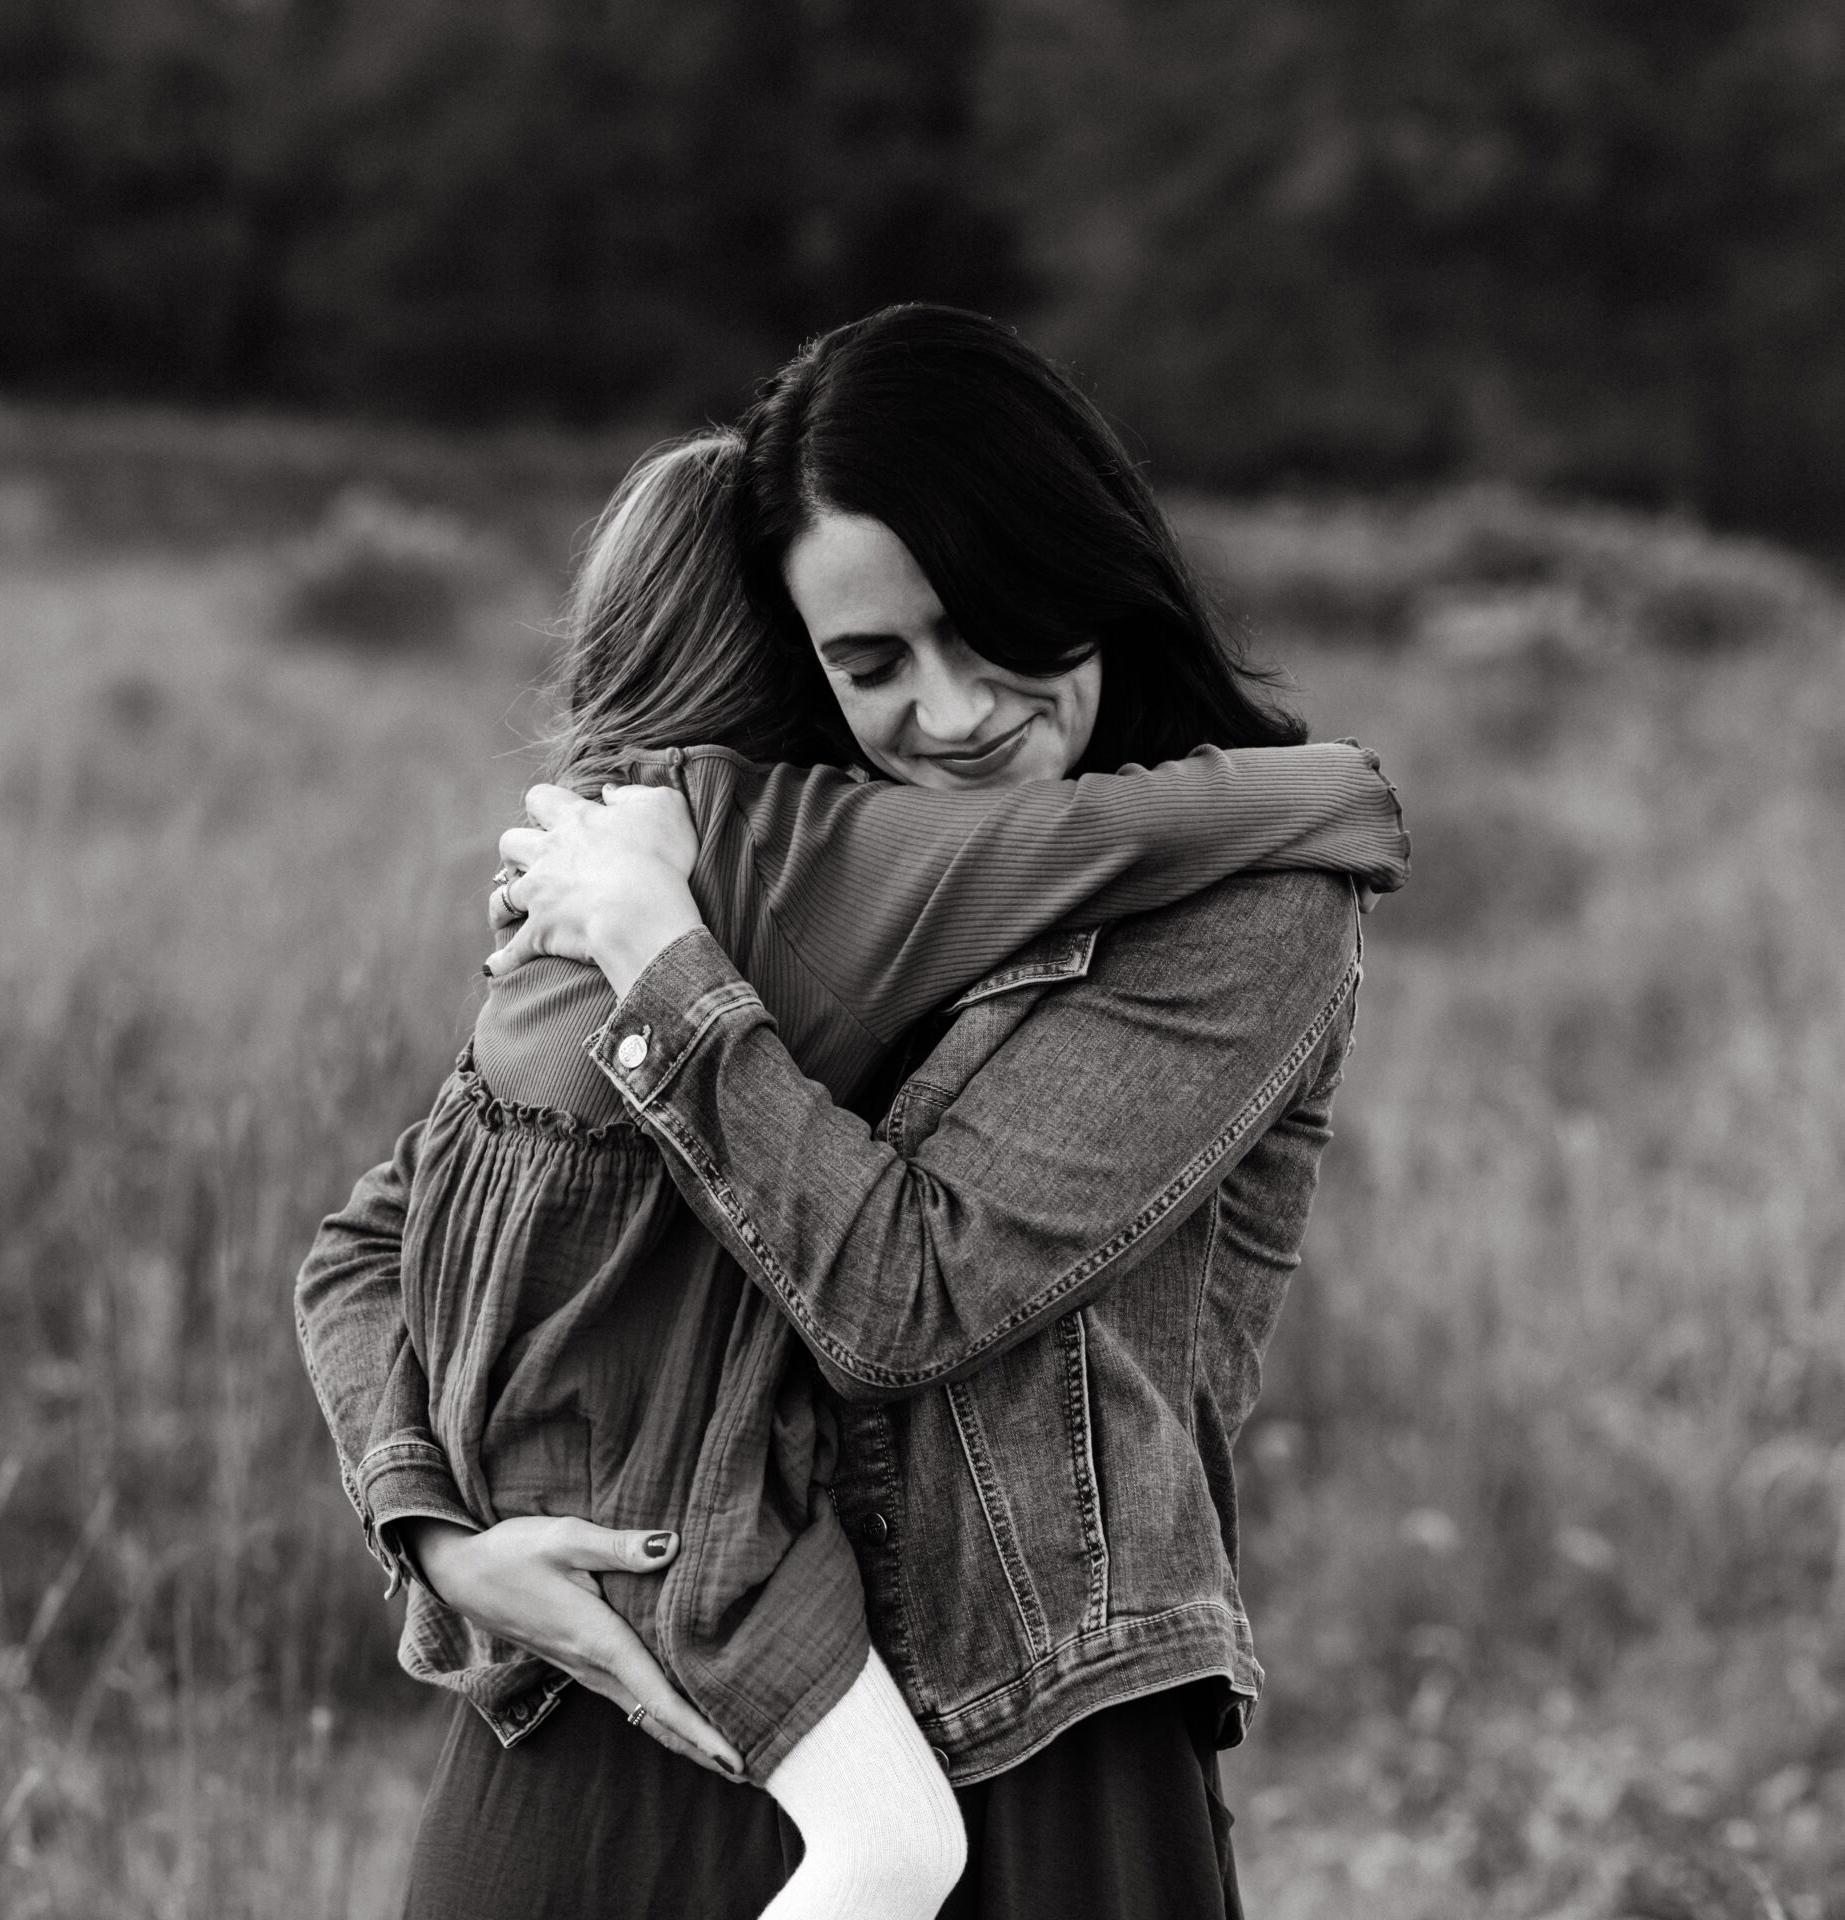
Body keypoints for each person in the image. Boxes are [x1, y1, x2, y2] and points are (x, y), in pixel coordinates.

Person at [297, 304, 1408, 1918]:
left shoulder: (1238, 904)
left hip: (1022, 1756)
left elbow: (912, 1299)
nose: (950, 715)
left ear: (1092, 572)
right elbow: (374, 1240)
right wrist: (442, 1542)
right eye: (870, 663)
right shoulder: (770, 871)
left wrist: (668, 967)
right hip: (620, 1709)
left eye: (996, 631)